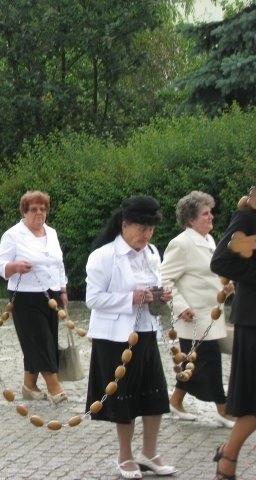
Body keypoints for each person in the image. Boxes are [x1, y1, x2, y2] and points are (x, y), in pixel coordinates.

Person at [84, 195, 176, 479]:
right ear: (124, 225)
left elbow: (154, 287)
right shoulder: (103, 256)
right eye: (140, 228)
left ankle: (150, 452)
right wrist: (131, 298)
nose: (145, 235)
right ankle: (125, 456)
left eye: (150, 229)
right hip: (114, 337)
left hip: (146, 331)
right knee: (123, 397)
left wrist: (161, 296)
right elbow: (93, 299)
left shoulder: (151, 253)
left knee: (154, 392)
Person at [160, 191, 234, 428]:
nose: (211, 216)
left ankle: (175, 401)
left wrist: (226, 285)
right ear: (191, 219)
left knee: (194, 363)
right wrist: (180, 307)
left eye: (210, 211)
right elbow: (164, 280)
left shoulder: (209, 240)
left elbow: (207, 274)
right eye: (205, 213)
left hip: (212, 315)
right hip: (194, 317)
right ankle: (223, 410)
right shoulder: (181, 243)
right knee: (209, 362)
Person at [0, 190, 68, 403]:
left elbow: (58, 263)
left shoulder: (51, 233)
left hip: (51, 293)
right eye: (34, 209)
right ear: (24, 212)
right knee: (40, 341)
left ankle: (29, 385)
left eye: (43, 209)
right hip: (25, 296)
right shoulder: (13, 235)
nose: (39, 213)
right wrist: (15, 266)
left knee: (46, 340)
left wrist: (63, 290)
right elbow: (0, 266)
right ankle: (54, 387)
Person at [209, 186, 256, 480]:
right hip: (254, 323)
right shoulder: (247, 219)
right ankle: (228, 456)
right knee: (253, 399)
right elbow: (221, 262)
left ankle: (228, 453)